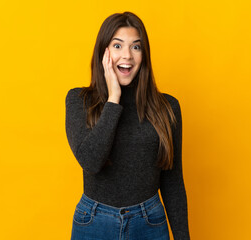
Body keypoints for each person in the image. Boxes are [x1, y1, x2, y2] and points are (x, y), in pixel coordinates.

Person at [65, 11, 190, 240]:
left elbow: (173, 182)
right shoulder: (79, 101)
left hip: (149, 223)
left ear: (144, 55)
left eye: (135, 47)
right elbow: (91, 162)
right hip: (94, 223)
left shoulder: (167, 107)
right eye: (117, 46)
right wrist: (114, 98)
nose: (127, 56)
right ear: (104, 51)